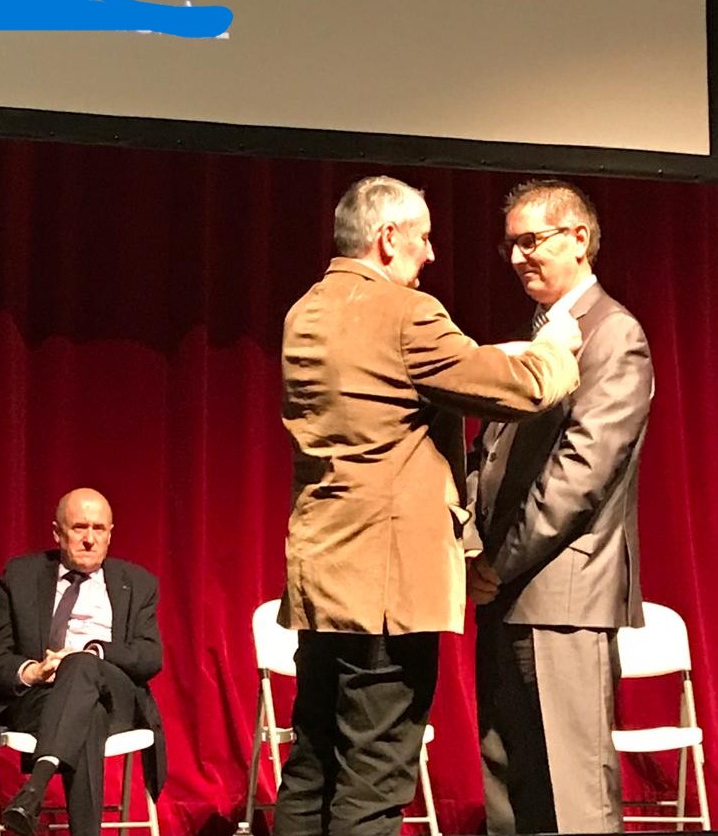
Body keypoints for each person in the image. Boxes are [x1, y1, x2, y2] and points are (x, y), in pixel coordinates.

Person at [274, 175, 582, 836]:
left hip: (322, 577)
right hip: (388, 584)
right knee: (375, 772)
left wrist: (481, 356)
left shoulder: (307, 311)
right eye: (422, 237)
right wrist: (555, 348)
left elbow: (387, 390)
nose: (432, 253)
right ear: (388, 238)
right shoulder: (407, 313)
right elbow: (520, 391)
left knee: (312, 764)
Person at [466, 179, 654, 834]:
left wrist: (497, 561)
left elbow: (581, 476)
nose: (518, 257)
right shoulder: (533, 336)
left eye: (531, 241)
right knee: (510, 790)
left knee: (571, 796)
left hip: (563, 604)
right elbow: (485, 457)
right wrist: (468, 551)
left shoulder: (614, 336)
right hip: (505, 598)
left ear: (579, 238)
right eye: (510, 245)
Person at [0, 487, 166, 836]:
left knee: (81, 665)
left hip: (115, 699)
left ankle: (35, 789)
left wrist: (93, 651)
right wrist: (33, 671)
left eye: (99, 529)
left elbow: (150, 655)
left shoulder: (137, 582)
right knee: (85, 714)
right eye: (80, 528)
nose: (90, 539)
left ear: (110, 534)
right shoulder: (20, 577)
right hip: (42, 699)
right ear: (57, 533)